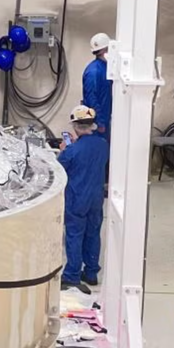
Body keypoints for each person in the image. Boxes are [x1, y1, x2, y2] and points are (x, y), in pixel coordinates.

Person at [58, 105, 110, 290]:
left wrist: (65, 149)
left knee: (74, 234)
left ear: (75, 126)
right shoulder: (103, 145)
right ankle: (91, 272)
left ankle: (72, 274)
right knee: (93, 233)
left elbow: (60, 169)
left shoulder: (72, 150)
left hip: (77, 198)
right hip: (96, 197)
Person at [82, 32, 113, 143]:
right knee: (98, 151)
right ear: (105, 50)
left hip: (104, 119)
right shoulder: (94, 71)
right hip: (97, 122)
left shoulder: (106, 68)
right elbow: (91, 98)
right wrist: (99, 122)